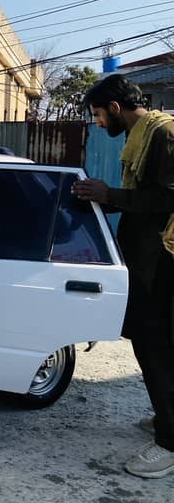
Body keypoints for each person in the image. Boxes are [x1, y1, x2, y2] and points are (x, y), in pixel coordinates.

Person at [72, 73, 174, 478]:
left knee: (158, 349)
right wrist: (101, 200)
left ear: (115, 109)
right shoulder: (145, 133)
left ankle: (168, 442)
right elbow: (143, 198)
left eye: (98, 115)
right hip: (148, 260)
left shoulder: (163, 134)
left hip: (163, 263)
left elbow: (166, 198)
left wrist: (109, 195)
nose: (97, 123)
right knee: (155, 346)